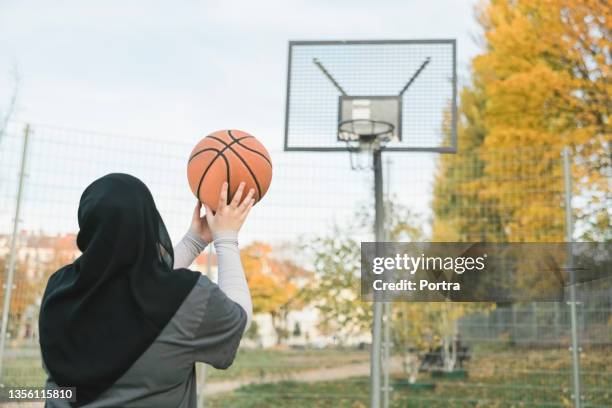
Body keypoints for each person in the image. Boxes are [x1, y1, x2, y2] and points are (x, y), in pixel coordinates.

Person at [39, 173, 254, 407]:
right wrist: (226, 238)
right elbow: (239, 318)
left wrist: (195, 241)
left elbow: (140, 284)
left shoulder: (58, 289)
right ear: (150, 221)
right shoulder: (191, 298)